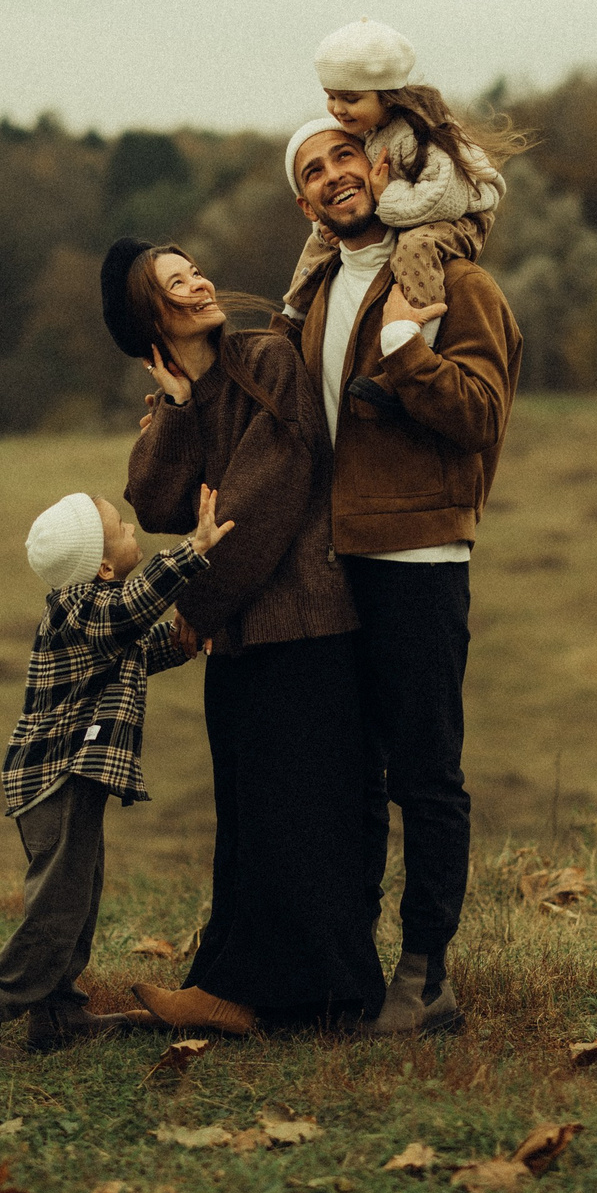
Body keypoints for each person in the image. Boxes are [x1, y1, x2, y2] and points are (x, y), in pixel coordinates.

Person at [279, 115, 522, 1036]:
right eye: (315, 168)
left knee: (425, 772)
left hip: (418, 561)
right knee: (345, 777)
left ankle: (427, 975)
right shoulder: (308, 300)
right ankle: (345, 964)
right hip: (331, 568)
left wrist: (410, 356)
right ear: (303, 202)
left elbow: (482, 416)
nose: (336, 174)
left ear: (385, 166)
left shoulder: (459, 286)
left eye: (348, 154)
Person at [111, 237, 387, 1035]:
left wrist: (195, 608)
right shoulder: (186, 395)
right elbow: (157, 504)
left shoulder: (265, 360)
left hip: (303, 621)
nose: (199, 281)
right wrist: (177, 408)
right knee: (252, 813)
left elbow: (260, 500)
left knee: (299, 812)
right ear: (150, 318)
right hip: (243, 635)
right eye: (175, 283)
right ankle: (248, 986)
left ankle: (314, 995)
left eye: (192, 268)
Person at [0, 486, 233, 1061]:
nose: (130, 526)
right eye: (119, 525)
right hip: (55, 776)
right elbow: (127, 613)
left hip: (71, 776)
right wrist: (192, 550)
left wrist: (185, 642)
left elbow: (133, 651)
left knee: (79, 899)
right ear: (101, 563)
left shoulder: (98, 617)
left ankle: (57, 1014)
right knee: (56, 911)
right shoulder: (81, 605)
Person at [278, 20, 525, 368]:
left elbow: (444, 199)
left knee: (414, 248)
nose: (337, 109)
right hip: (415, 212)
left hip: (460, 218)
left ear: (387, 97)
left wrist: (386, 196)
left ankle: (418, 338)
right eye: (331, 97)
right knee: (321, 235)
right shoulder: (371, 129)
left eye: (350, 99)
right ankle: (292, 316)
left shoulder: (415, 136)